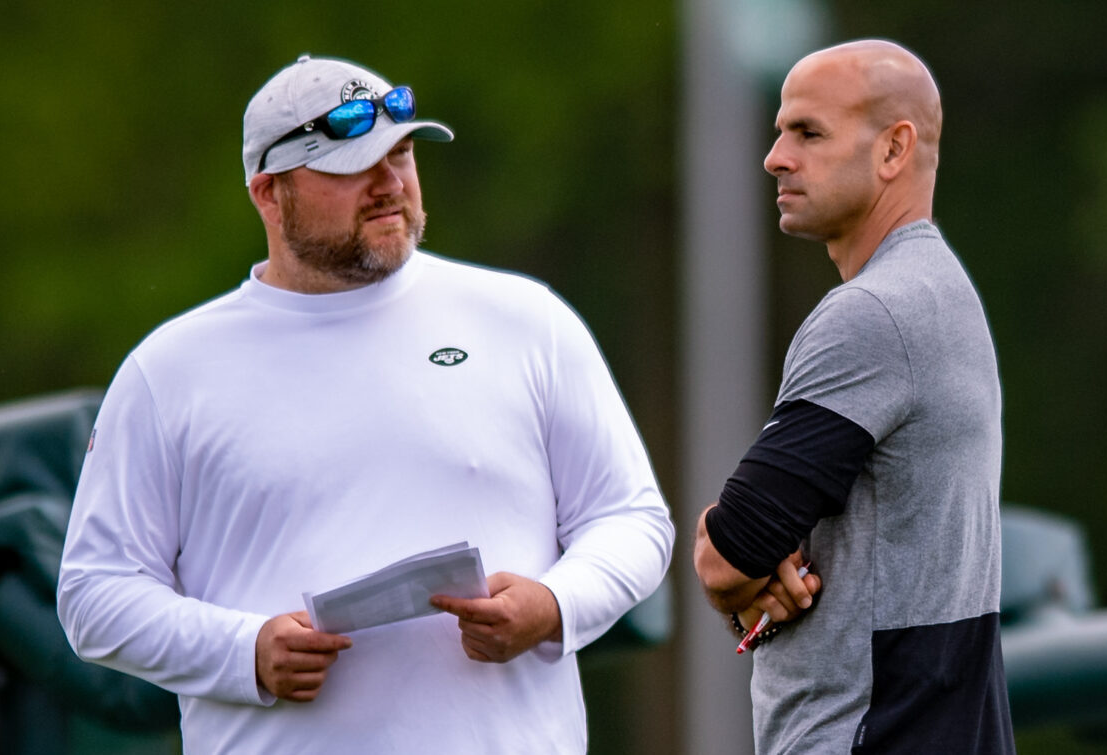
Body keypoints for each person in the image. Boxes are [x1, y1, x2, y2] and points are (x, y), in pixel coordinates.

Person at [56, 54, 674, 754]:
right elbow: (94, 595)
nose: (389, 184)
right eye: (352, 166)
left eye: (402, 153)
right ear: (268, 193)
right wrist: (243, 650)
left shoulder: (525, 320)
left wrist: (553, 605)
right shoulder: (169, 369)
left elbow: (631, 519)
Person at [691, 39, 1014, 753]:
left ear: (893, 149)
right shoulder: (941, 292)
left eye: (807, 132)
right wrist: (755, 564)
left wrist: (735, 575)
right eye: (780, 131)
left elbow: (728, 552)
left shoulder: (873, 314)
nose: (775, 156)